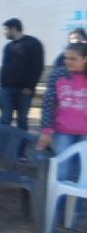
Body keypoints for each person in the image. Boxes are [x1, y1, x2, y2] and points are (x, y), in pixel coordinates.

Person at [37, 42, 87, 218]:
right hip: (62, 132)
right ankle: (56, 211)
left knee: (82, 174)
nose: (68, 62)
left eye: (73, 59)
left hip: (85, 134)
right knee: (63, 171)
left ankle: (74, 212)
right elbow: (48, 104)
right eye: (66, 57)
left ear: (85, 59)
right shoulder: (58, 75)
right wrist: (46, 130)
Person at [0, 18, 44, 142]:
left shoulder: (33, 43)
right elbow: (4, 67)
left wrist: (30, 87)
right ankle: (1, 150)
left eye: (6, 30)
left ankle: (20, 152)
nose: (4, 33)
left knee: (22, 121)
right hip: (6, 89)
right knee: (4, 119)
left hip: (24, 91)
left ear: (13, 29)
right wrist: (1, 87)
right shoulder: (8, 47)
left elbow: (38, 66)